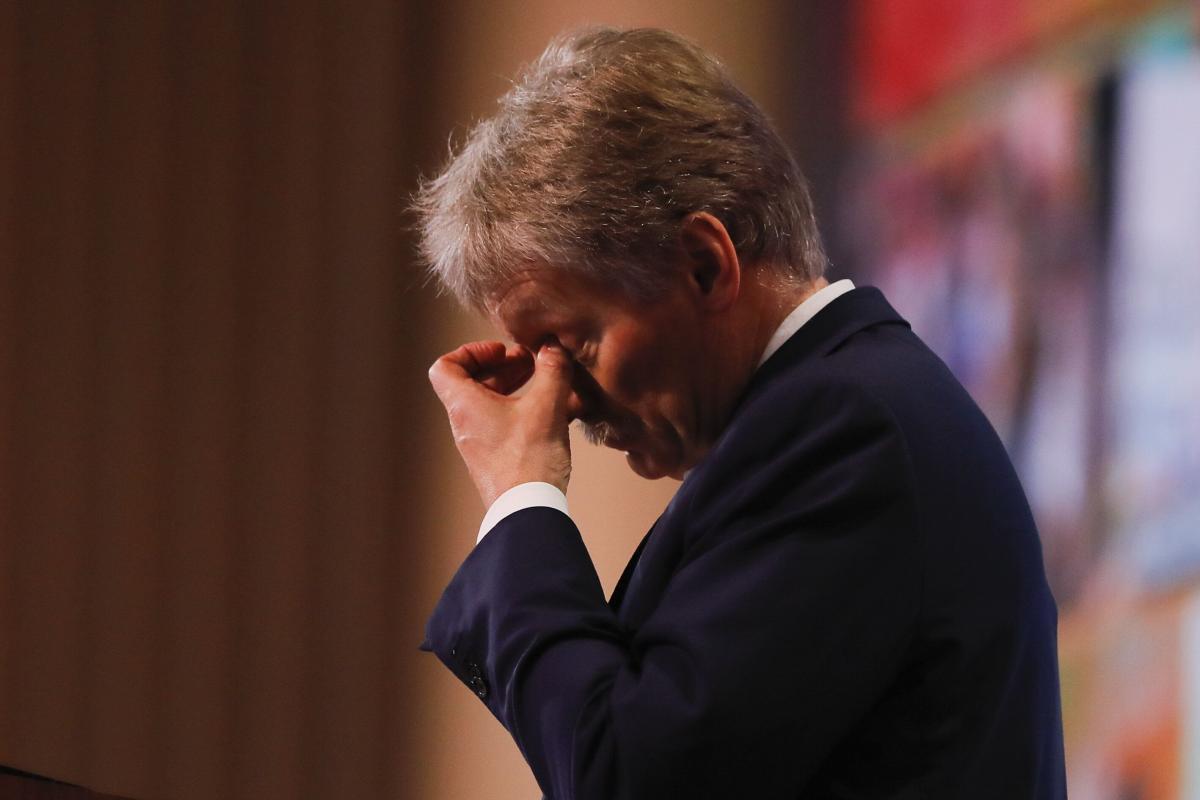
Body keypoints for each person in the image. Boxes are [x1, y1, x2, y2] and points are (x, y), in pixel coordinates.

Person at [415, 26, 1066, 799]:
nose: (563, 401)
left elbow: (628, 777)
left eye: (573, 346)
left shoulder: (844, 433)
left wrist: (522, 498)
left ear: (704, 264)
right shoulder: (838, 414)